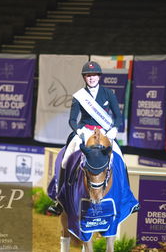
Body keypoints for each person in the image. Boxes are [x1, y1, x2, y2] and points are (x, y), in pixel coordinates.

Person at [48, 61, 123, 215]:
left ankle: (127, 197)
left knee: (120, 158)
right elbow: (72, 120)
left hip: (105, 132)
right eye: (88, 75)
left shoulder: (109, 93)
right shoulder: (79, 96)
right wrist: (79, 131)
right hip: (85, 131)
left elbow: (118, 117)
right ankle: (59, 200)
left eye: (94, 75)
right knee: (65, 159)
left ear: (99, 76)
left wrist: (114, 130)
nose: (92, 78)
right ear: (84, 77)